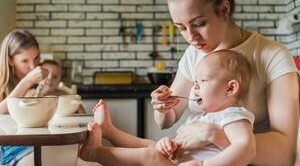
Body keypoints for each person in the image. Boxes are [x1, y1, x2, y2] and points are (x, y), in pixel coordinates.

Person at [150, 0, 299, 165]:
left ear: (224, 9)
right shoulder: (193, 55)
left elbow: (284, 155)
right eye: (182, 28)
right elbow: (166, 120)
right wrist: (161, 107)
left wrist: (215, 135)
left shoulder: (273, 56)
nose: (191, 38)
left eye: (199, 24)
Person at [79, 50, 256, 166]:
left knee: (150, 156)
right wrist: (169, 145)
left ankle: (96, 153)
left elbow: (245, 148)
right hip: (176, 161)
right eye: (194, 82)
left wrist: (205, 165)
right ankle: (110, 131)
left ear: (231, 88)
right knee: (152, 146)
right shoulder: (200, 117)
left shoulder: (233, 116)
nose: (195, 87)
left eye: (202, 81)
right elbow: (181, 148)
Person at [0, 29, 48, 166]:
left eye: (36, 58)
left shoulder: (34, 83)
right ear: (10, 60)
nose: (32, 66)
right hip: (8, 149)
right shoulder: (2, 81)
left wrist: (41, 91)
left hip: (32, 142)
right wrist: (27, 81)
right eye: (24, 61)